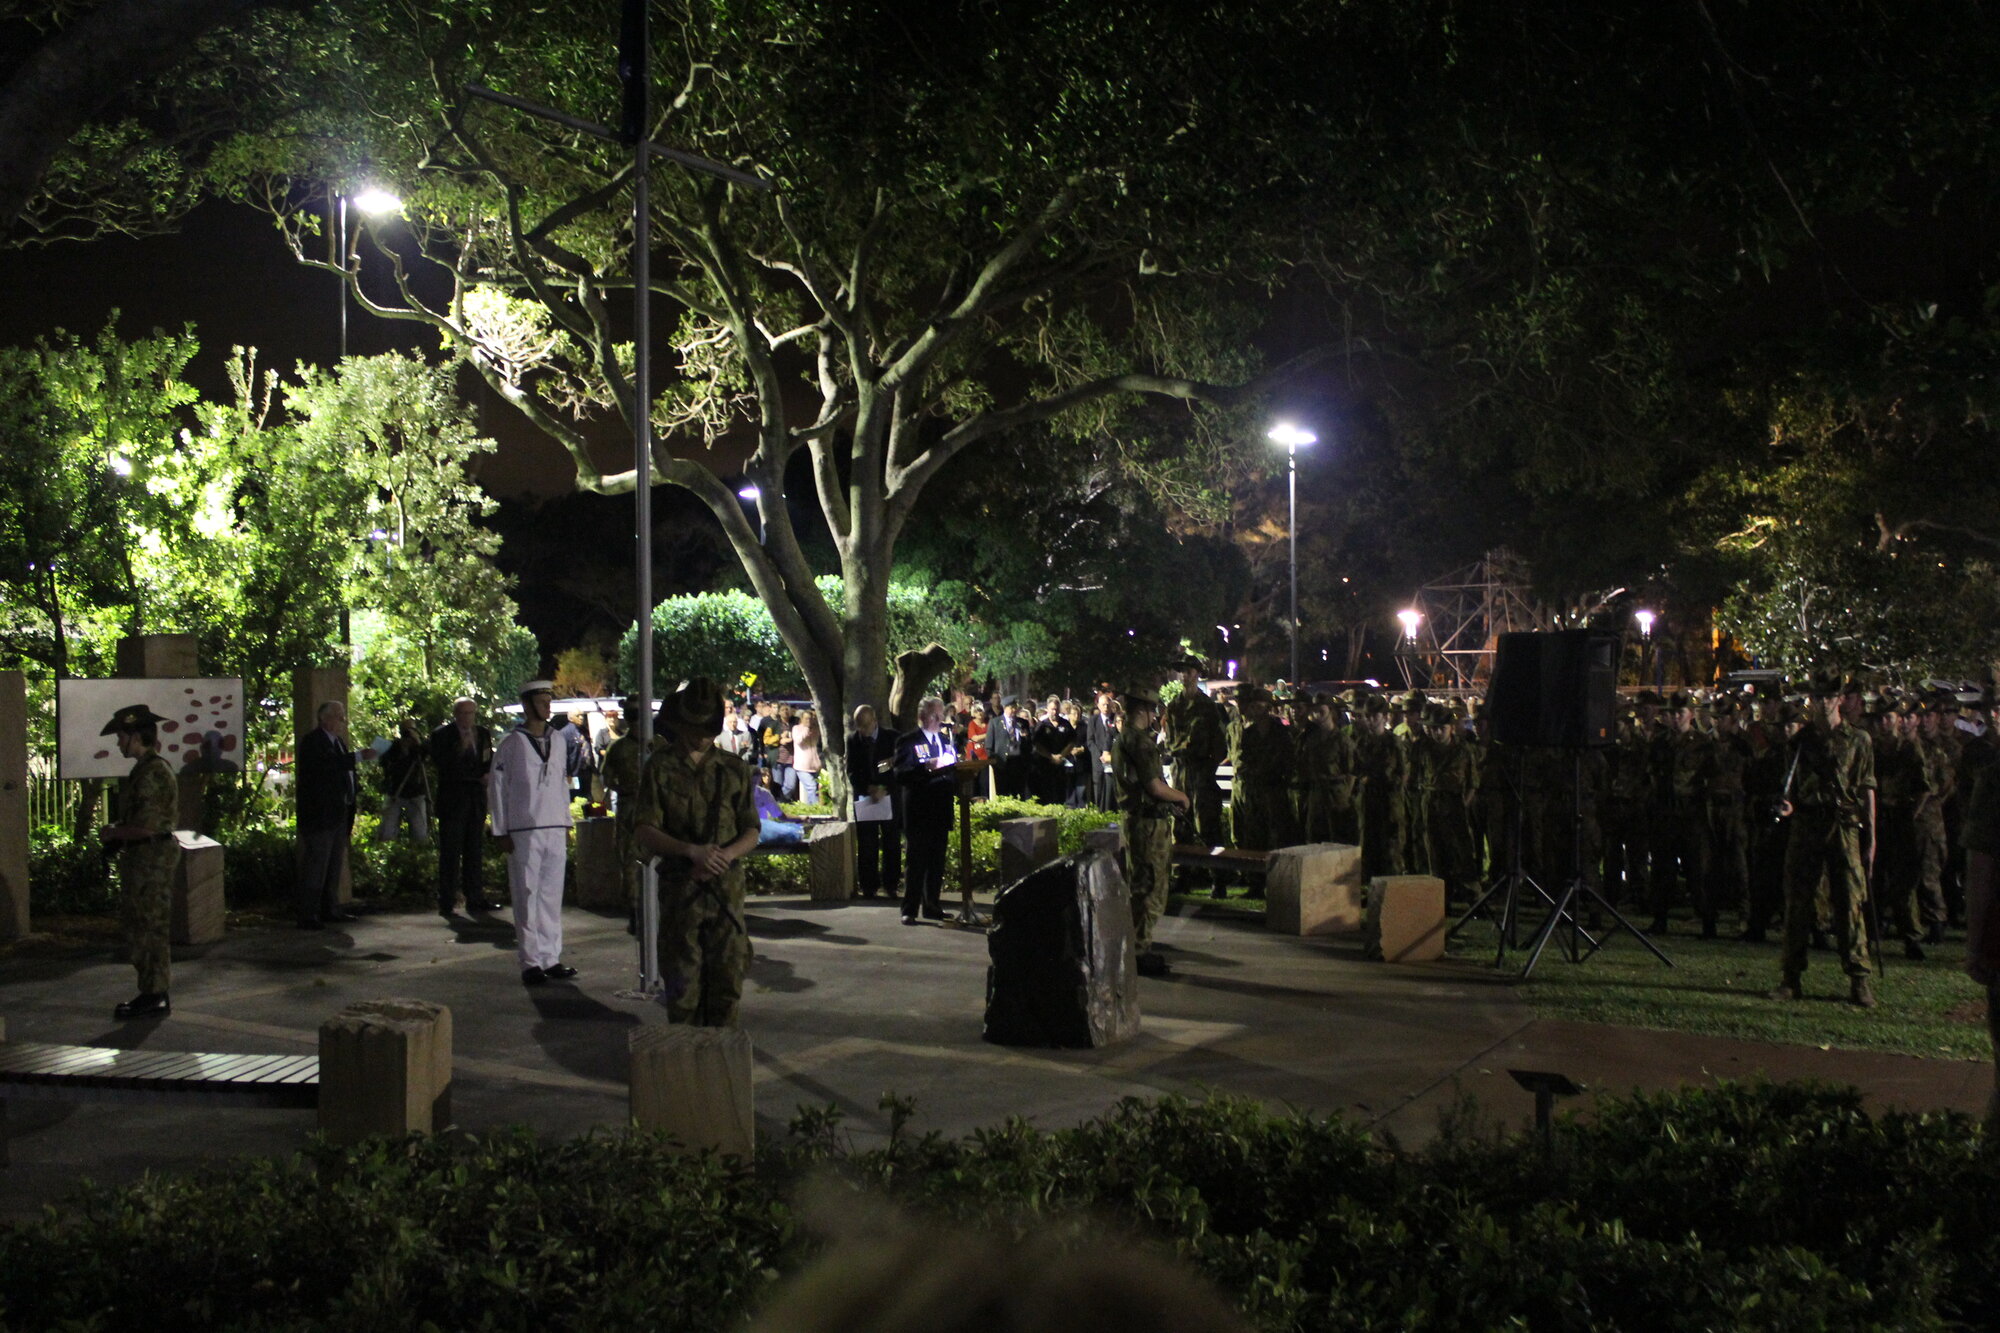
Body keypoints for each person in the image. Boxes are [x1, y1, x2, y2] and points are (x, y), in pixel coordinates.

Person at [633, 677, 761, 1026]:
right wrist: (691, 851)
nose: (700, 737)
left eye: (707, 729)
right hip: (681, 892)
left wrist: (726, 856)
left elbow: (751, 829)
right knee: (683, 990)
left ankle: (720, 1057)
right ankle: (687, 1058)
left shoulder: (733, 768)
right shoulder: (660, 766)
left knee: (727, 986)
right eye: (693, 728)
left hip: (726, 894)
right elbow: (644, 828)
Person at [1770, 675, 1876, 1008]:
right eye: (1818, 697)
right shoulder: (1800, 742)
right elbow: (1789, 788)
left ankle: (1859, 978)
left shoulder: (1858, 739)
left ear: (1840, 699)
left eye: (1829, 696)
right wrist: (1787, 806)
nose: (1824, 703)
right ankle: (1791, 978)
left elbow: (1867, 789)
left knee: (1850, 901)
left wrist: (1872, 839)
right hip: (1807, 823)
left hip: (1844, 825)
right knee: (1798, 902)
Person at [491, 680, 576, 985]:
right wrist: (500, 829)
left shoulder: (558, 739)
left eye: (549, 701)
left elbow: (561, 783)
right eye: (541, 702)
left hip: (554, 825)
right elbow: (497, 787)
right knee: (526, 894)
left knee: (551, 895)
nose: (547, 707)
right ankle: (530, 961)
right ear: (527, 706)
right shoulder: (511, 743)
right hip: (524, 828)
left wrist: (566, 821)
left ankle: (551, 957)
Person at [98, 703, 180, 1019]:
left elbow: (149, 826)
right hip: (145, 857)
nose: (119, 743)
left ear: (135, 737)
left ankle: (154, 994)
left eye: (121, 736)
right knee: (143, 924)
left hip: (151, 859)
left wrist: (114, 833)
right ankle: (152, 991)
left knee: (149, 927)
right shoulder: (145, 770)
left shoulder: (153, 773)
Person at [1112, 689, 1190, 976]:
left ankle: (1136, 947)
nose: (1154, 716)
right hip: (1148, 824)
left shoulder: (1123, 739)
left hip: (1137, 820)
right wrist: (1180, 797)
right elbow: (1154, 786)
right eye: (1152, 710)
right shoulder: (1140, 742)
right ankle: (1138, 951)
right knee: (1150, 888)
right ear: (1142, 711)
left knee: (1140, 885)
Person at [295, 699, 364, 929]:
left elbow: (343, 772)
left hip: (339, 812)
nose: (342, 720)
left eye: (342, 716)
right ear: (324, 718)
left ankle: (330, 908)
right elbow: (328, 767)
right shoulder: (313, 742)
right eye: (338, 716)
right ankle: (308, 914)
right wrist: (358, 757)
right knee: (317, 864)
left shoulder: (339, 743)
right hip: (320, 815)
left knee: (334, 864)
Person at [430, 697, 497, 916]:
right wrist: (462, 750)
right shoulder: (442, 735)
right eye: (463, 713)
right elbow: (441, 764)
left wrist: (487, 774)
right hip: (453, 800)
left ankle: (475, 897)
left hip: (476, 798)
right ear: (456, 714)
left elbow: (487, 759)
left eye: (470, 713)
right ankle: (447, 900)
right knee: (451, 851)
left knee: (474, 850)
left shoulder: (482, 733)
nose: (467, 718)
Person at [895, 696, 959, 924]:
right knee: (916, 861)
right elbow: (901, 773)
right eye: (935, 715)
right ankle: (910, 909)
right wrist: (925, 767)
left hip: (940, 808)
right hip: (919, 810)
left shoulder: (945, 740)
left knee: (936, 862)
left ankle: (932, 905)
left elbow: (953, 770)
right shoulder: (908, 741)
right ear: (922, 716)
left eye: (941, 715)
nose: (939, 719)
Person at [1163, 656, 1228, 850]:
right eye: (1182, 672)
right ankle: (1184, 866)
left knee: (1207, 825)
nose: (1184, 675)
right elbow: (1169, 739)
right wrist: (1179, 749)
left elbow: (1218, 742)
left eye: (1189, 671)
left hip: (1202, 773)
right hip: (1180, 771)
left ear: (1197, 674)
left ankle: (1215, 866)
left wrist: (1208, 766)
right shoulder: (1174, 705)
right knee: (1181, 824)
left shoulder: (1208, 706)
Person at [847, 703, 901, 900]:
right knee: (866, 843)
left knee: (891, 842)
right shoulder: (853, 740)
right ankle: (868, 886)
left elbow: (898, 766)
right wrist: (868, 788)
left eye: (866, 726)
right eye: (859, 726)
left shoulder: (892, 738)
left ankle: (891, 884)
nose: (863, 731)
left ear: (875, 721)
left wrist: (884, 787)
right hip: (865, 797)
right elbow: (852, 770)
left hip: (888, 796)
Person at [377, 717, 431, 843]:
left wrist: (417, 743)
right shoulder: (393, 747)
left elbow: (427, 755)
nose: (408, 734)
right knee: (387, 831)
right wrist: (402, 749)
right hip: (395, 792)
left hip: (415, 793)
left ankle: (417, 852)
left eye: (411, 730)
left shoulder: (419, 747)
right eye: (405, 731)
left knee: (419, 833)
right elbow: (385, 764)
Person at [1087, 691, 1119, 810]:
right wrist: (1099, 755)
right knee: (1099, 788)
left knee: (1111, 789)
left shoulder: (1116, 719)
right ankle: (1098, 812)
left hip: (1112, 759)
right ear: (1098, 706)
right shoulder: (1093, 720)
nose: (1105, 707)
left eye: (1107, 705)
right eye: (1103, 705)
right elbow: (1090, 741)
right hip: (1098, 759)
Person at [792, 708, 824, 805]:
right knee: (811, 787)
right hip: (802, 766)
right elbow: (798, 741)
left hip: (815, 766)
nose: (808, 721)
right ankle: (817, 809)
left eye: (810, 718)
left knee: (816, 790)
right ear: (801, 719)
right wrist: (806, 729)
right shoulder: (796, 728)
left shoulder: (816, 729)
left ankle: (811, 808)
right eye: (806, 718)